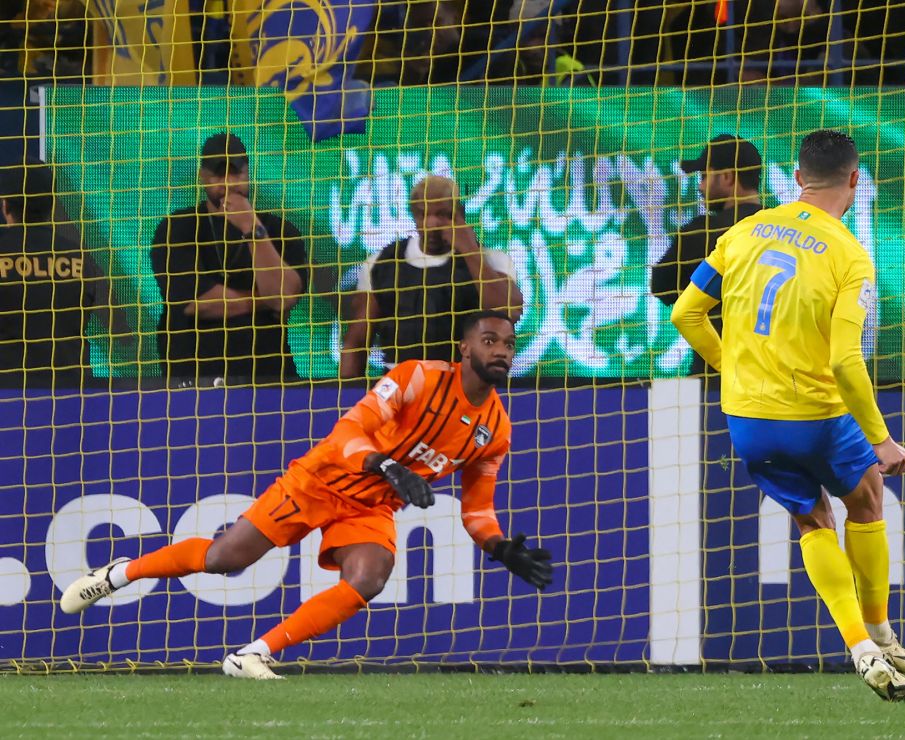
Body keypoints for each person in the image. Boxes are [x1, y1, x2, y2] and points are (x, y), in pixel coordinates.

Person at [61, 310, 552, 679]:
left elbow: (479, 510)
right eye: (489, 341)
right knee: (224, 558)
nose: (501, 351)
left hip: (373, 503)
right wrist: (386, 464)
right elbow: (347, 432)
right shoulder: (417, 377)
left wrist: (501, 548)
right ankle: (118, 573)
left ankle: (253, 654)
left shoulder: (497, 430)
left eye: (508, 343)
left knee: (371, 576)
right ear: (464, 348)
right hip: (320, 479)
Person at [670, 130, 905, 702]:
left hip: (748, 418)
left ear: (799, 177)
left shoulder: (743, 231)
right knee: (867, 494)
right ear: (854, 181)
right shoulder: (849, 253)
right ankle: (879, 629)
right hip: (814, 412)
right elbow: (844, 361)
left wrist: (731, 367)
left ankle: (860, 646)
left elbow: (686, 314)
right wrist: (881, 439)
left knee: (812, 522)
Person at [150, 132, 308, 385]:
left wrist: (252, 228)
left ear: (248, 173)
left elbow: (284, 296)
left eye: (235, 173)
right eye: (218, 174)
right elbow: (198, 303)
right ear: (202, 176)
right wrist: (262, 300)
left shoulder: (280, 231)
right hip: (193, 377)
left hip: (267, 378)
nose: (228, 183)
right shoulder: (177, 228)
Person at [340, 175, 523, 378]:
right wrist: (347, 399)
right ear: (414, 215)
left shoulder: (493, 261)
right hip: (398, 388)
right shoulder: (381, 263)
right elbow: (356, 342)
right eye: (423, 213)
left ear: (458, 214)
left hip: (462, 386)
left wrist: (469, 250)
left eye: (443, 214)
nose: (432, 223)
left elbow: (508, 312)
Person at [0, 160, 125, 387]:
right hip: (69, 394)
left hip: (8, 395)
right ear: (51, 205)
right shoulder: (79, 257)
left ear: (5, 206)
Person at [652, 134, 763, 375]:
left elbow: (661, 287)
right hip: (773, 380)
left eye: (704, 177)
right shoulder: (784, 230)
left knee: (673, 409)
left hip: (714, 378)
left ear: (726, 177)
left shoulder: (701, 232)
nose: (700, 187)